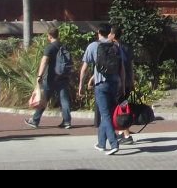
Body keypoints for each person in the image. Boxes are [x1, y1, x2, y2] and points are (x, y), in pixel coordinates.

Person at [78, 23, 126, 155]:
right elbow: (122, 68)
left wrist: (81, 85)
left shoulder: (93, 46)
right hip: (114, 83)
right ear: (109, 32)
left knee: (105, 115)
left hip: (101, 84)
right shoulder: (116, 46)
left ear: (98, 32)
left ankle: (113, 143)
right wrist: (122, 84)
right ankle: (101, 143)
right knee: (107, 114)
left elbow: (84, 68)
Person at [26, 26, 72, 129]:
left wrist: (39, 75)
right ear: (58, 34)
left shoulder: (49, 47)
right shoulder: (63, 46)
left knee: (43, 98)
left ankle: (35, 120)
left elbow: (44, 61)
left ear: (49, 36)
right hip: (63, 76)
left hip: (51, 77)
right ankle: (67, 121)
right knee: (64, 100)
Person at [112, 25, 137, 145]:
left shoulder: (113, 48)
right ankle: (121, 132)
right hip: (127, 82)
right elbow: (131, 67)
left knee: (121, 109)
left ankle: (126, 135)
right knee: (122, 107)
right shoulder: (126, 48)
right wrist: (132, 81)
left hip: (118, 83)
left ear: (112, 35)